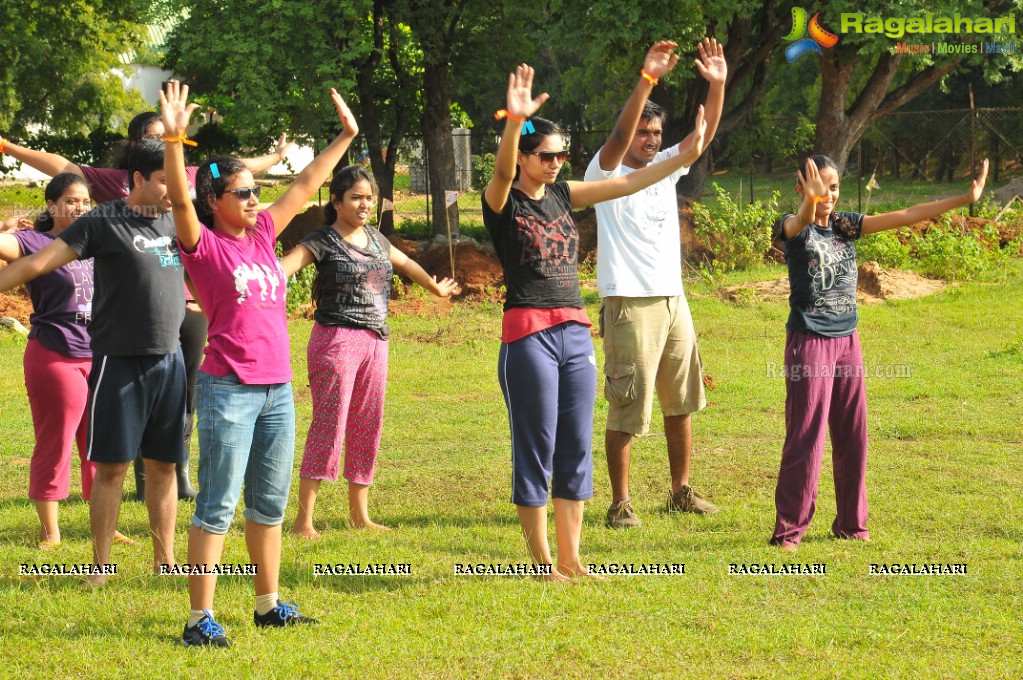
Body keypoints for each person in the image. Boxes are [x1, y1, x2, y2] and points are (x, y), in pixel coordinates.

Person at [482, 64, 708, 581]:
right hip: (528, 334)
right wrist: (515, 122)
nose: (558, 163)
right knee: (536, 446)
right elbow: (499, 173)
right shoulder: (504, 202)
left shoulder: (565, 194)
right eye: (548, 156)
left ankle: (572, 560)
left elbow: (630, 180)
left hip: (575, 331)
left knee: (575, 447)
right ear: (524, 157)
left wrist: (687, 152)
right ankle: (542, 563)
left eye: (563, 154)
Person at [160, 80, 358, 647]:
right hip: (229, 389)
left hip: (277, 391)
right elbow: (177, 199)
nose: (254, 200)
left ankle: (267, 605)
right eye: (242, 193)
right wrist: (175, 139)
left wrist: (345, 136)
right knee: (218, 505)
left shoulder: (264, 233)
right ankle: (200, 618)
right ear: (215, 201)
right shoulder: (204, 244)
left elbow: (305, 183)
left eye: (254, 191)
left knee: (269, 504)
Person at [1, 120, 293, 501]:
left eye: (172, 137)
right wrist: (9, 147)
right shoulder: (106, 206)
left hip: (174, 340)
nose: (174, 187)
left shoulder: (180, 211)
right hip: (115, 350)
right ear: (138, 172)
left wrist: (276, 156)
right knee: (108, 457)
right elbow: (40, 253)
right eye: (159, 136)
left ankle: (167, 543)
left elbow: (231, 175)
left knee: (167, 450)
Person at [770, 154, 989, 549]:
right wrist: (809, 203)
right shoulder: (793, 227)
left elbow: (906, 213)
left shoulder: (844, 226)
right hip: (810, 342)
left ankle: (852, 525)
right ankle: (790, 530)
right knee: (807, 437)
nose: (828, 196)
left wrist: (964, 198)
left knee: (854, 435)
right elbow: (799, 220)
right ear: (801, 188)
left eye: (834, 187)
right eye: (819, 187)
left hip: (847, 342)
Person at [0, 138, 191, 586]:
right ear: (139, 178)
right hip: (118, 361)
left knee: (163, 465)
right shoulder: (104, 220)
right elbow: (39, 262)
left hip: (171, 358)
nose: (173, 189)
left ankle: (166, 561)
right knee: (111, 467)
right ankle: (99, 567)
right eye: (165, 180)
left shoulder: (177, 221)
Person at [585, 39, 727, 528]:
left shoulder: (665, 170)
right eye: (642, 130)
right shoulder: (604, 172)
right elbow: (620, 138)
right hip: (629, 303)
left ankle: (680, 490)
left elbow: (699, 140)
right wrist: (646, 79)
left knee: (681, 400)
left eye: (655, 131)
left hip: (673, 301)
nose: (648, 138)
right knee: (628, 406)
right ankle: (620, 502)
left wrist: (718, 84)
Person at [281, 166, 460, 539]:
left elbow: (406, 264)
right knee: (328, 427)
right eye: (355, 197)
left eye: (368, 198)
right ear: (337, 201)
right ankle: (304, 521)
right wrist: (255, 281)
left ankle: (359, 515)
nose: (364, 204)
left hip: (376, 342)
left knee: (367, 426)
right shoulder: (324, 239)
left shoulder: (377, 238)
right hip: (336, 341)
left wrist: (435, 288)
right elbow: (286, 268)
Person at [0, 174, 132, 548]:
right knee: (55, 442)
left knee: (101, 445)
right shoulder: (33, 242)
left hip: (101, 356)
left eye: (85, 201)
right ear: (51, 204)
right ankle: (51, 531)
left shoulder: (96, 242)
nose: (80, 207)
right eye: (71, 200)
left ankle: (107, 526)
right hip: (55, 356)